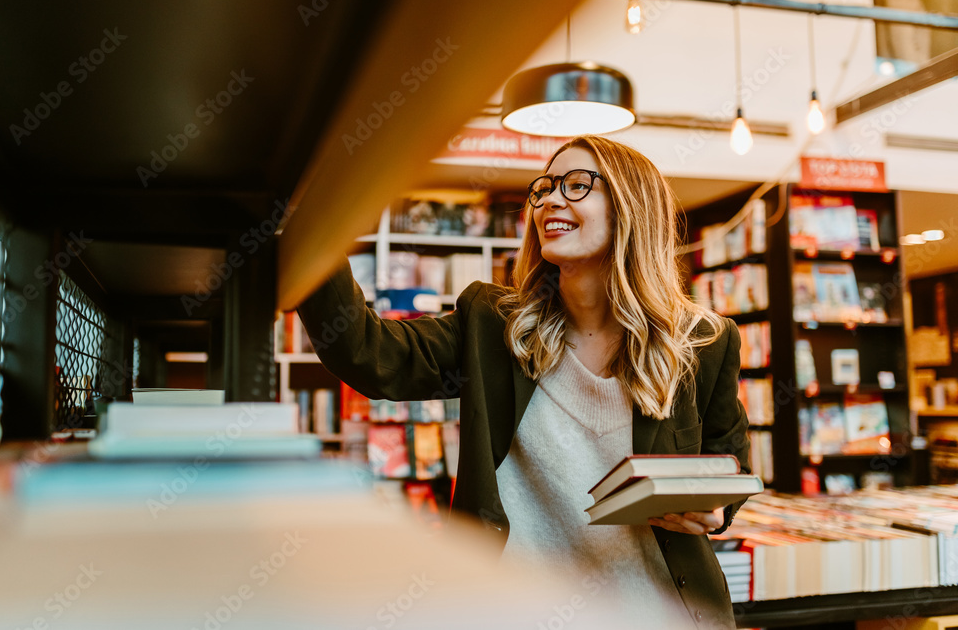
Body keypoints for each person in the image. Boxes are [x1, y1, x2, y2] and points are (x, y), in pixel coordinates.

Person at [298, 135, 750, 629]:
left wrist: (716, 510)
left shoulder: (705, 341)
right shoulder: (493, 325)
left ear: (631, 206)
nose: (550, 199)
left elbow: (728, 462)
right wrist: (314, 220)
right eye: (544, 188)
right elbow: (366, 353)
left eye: (578, 185)